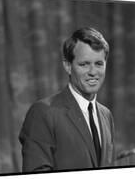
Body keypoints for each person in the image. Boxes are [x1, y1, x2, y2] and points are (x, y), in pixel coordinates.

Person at [18, 27, 115, 172]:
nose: (93, 72)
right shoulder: (43, 112)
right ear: (68, 66)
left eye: (99, 64)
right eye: (84, 64)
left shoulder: (106, 115)